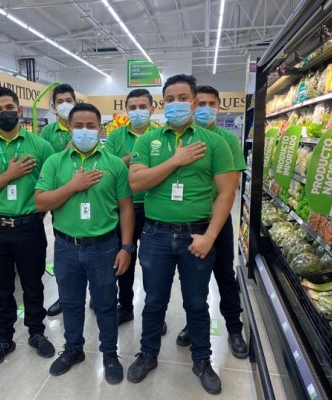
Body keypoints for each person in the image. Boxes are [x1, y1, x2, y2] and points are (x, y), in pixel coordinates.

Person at [126, 74, 237, 395]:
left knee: (197, 303)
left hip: (197, 234)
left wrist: (210, 237)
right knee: (153, 302)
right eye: (169, 99)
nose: (176, 104)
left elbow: (226, 193)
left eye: (182, 98)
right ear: (162, 104)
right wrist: (176, 160)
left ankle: (202, 360)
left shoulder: (214, 141)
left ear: (193, 100)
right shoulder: (147, 141)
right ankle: (148, 354)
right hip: (156, 235)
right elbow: (137, 183)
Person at [34, 103, 134, 384]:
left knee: (105, 303)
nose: (85, 131)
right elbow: (40, 201)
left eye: (91, 126)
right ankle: (73, 349)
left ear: (100, 128)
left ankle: (110, 353)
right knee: (72, 302)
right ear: (68, 127)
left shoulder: (114, 163)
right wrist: (72, 186)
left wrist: (126, 247)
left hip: (104, 247)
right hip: (66, 246)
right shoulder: (55, 162)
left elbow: (126, 208)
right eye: (79, 126)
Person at [0, 86, 55, 368]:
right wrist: (9, 175)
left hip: (29, 227)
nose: (4, 113)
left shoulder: (40, 146)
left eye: (9, 108)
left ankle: (37, 333)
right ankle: (4, 338)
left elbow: (53, 185)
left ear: (20, 110)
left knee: (32, 284)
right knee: (0, 287)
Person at [176, 85, 249, 359]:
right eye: (201, 103)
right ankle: (192, 324)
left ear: (218, 106)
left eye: (211, 103)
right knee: (191, 280)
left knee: (224, 275)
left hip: (216, 222)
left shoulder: (226, 141)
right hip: (190, 223)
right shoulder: (183, 138)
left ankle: (234, 329)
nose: (205, 108)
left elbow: (230, 187)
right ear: (194, 105)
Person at [104, 89, 166, 334]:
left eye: (143, 106)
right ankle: (126, 306)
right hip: (123, 207)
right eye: (133, 107)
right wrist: (138, 156)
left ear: (152, 109)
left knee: (153, 266)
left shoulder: (162, 135)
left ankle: (155, 315)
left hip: (154, 207)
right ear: (127, 110)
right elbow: (108, 169)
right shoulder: (115, 136)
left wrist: (126, 162)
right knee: (123, 260)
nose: (138, 111)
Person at [39, 83, 77, 317]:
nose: (65, 105)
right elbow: (46, 167)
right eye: (60, 101)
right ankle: (65, 297)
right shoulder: (47, 134)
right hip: (59, 200)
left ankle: (95, 294)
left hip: (88, 199)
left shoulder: (85, 127)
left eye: (69, 100)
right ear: (53, 107)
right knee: (64, 252)